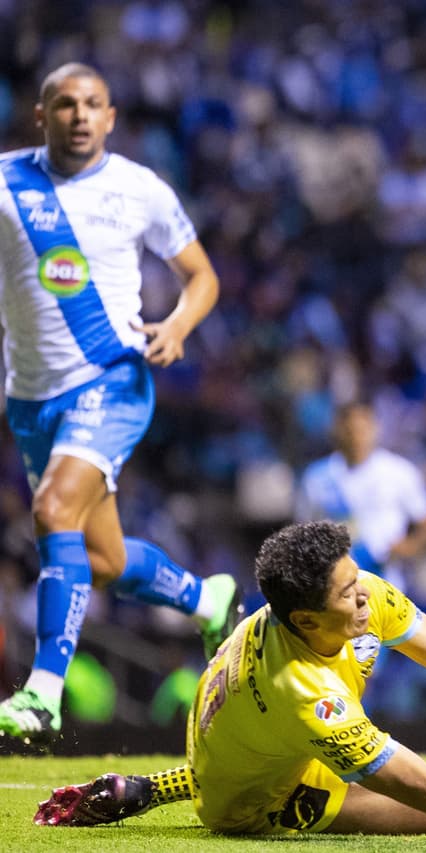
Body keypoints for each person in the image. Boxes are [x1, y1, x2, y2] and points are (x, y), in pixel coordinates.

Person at [34, 520, 426, 834]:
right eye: (348, 593)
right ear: (306, 617)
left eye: (359, 580)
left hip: (235, 733)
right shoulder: (308, 696)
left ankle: (155, 786)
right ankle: (190, 792)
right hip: (251, 797)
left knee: (296, 745)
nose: (366, 599)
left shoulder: (353, 599)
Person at [0, 63, 241, 745]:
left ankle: (41, 695)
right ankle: (204, 597)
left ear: (111, 117)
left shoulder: (139, 189)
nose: (80, 114)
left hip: (113, 381)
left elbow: (201, 276)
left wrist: (178, 325)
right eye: (65, 104)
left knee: (51, 509)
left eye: (93, 104)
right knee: (98, 558)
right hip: (31, 397)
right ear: (41, 116)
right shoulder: (6, 183)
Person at [296, 401, 426, 590]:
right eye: (350, 430)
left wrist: (408, 547)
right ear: (337, 431)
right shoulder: (317, 477)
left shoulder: (398, 471)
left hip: (385, 584)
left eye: (362, 430)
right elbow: (302, 531)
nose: (356, 437)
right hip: (335, 587)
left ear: (375, 429)